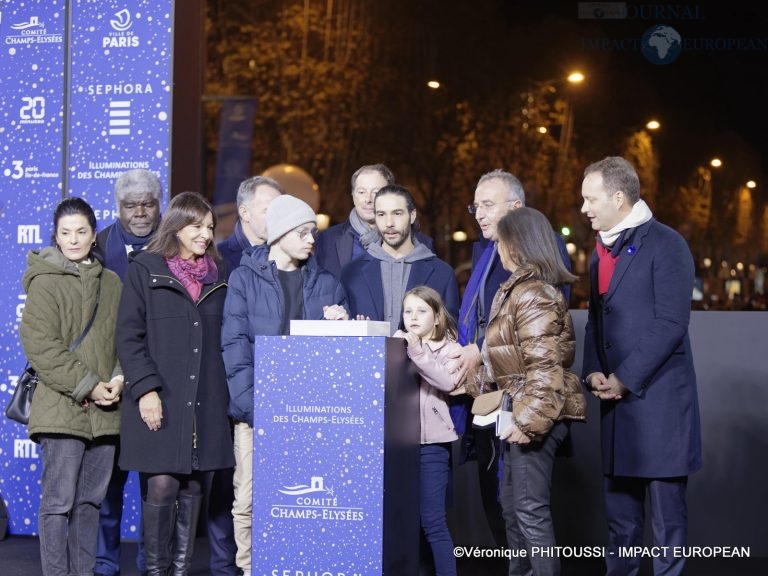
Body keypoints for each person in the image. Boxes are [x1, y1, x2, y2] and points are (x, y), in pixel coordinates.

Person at [580, 156, 702, 576]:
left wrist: (624, 380)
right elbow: (598, 319)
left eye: (590, 199)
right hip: (616, 405)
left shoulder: (668, 244)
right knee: (620, 522)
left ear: (618, 197)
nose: (584, 209)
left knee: (667, 523)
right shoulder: (598, 253)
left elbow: (671, 323)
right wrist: (593, 369)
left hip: (658, 405)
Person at [222, 195, 348, 576]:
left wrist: (344, 328)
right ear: (279, 234)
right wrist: (253, 408)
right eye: (303, 232)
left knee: (304, 501)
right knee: (247, 499)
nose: (312, 239)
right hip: (255, 412)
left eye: (313, 232)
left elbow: (340, 365)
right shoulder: (244, 278)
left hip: (309, 416)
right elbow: (234, 346)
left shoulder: (329, 285)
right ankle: (248, 569)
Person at [449, 169, 572, 549]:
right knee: (498, 502)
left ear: (516, 207)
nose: (479, 213)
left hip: (524, 400)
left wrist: (480, 348)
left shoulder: (540, 249)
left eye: (488, 204)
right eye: (475, 206)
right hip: (487, 395)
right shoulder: (485, 250)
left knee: (524, 510)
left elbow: (536, 330)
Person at [116, 192, 235, 576]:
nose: (205, 235)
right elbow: (128, 337)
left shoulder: (221, 274)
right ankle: (156, 571)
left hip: (205, 402)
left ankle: (180, 571)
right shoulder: (145, 268)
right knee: (163, 485)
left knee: (193, 489)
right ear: (177, 226)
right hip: (159, 398)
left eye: (210, 228)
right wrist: (146, 389)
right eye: (197, 226)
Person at [466, 207, 586, 576]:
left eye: (501, 241)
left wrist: (527, 422)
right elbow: (507, 361)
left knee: (529, 512)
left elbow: (546, 370)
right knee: (513, 509)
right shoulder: (516, 289)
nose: (497, 249)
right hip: (518, 410)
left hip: (534, 413)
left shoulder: (532, 293)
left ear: (515, 244)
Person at [20, 197, 124, 576]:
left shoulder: (111, 282)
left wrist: (116, 378)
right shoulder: (45, 281)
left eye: (81, 231)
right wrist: (89, 385)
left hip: (105, 414)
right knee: (58, 504)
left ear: (94, 234)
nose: (74, 239)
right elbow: (41, 347)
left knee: (90, 504)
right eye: (66, 233)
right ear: (56, 236)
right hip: (61, 410)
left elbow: (121, 340)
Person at [94, 168, 162, 576]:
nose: (138, 212)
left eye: (147, 203)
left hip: (158, 379)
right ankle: (105, 562)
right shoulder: (98, 244)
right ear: (117, 207)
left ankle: (150, 563)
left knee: (155, 484)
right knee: (108, 483)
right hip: (110, 380)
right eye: (129, 204)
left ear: (160, 203)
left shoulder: (174, 243)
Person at [394, 286, 465, 576]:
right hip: (399, 445)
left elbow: (447, 381)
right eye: (408, 311)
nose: (413, 317)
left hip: (431, 445)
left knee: (432, 520)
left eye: (421, 310)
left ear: (437, 317)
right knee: (403, 520)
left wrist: (416, 351)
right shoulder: (397, 344)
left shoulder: (451, 349)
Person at [340, 184, 459, 333]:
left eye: (397, 213)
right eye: (381, 214)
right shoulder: (351, 273)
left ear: (412, 216)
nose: (389, 223)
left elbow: (450, 331)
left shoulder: (442, 273)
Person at [315, 163, 433, 278]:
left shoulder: (422, 245)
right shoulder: (326, 240)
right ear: (353, 196)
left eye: (376, 192)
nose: (368, 199)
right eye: (361, 192)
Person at [217, 175, 284, 270]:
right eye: (268, 211)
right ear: (245, 213)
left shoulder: (287, 253)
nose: (277, 217)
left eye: (279, 211)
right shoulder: (218, 257)